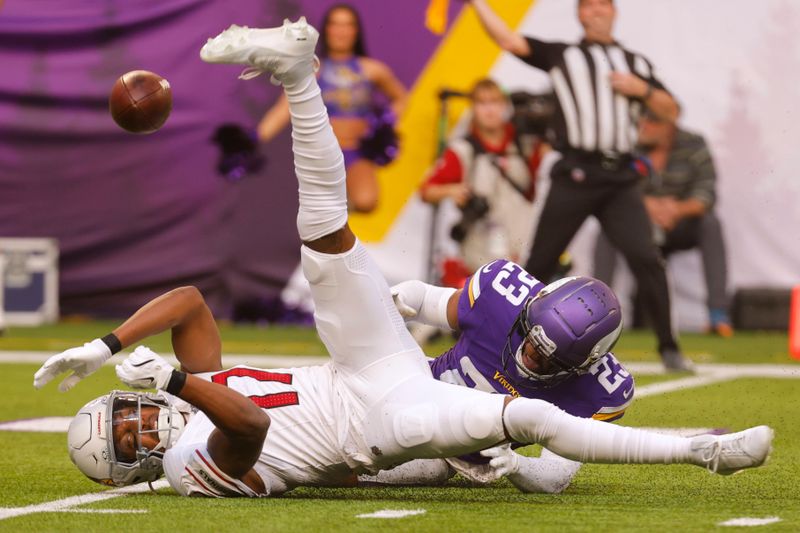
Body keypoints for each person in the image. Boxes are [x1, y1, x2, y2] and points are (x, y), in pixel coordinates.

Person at [33, 19, 772, 497]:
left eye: (121, 412)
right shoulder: (183, 462)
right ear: (133, 465)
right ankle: (700, 454)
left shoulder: (187, 388)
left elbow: (191, 301)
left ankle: (297, 75)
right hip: (385, 424)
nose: (138, 420)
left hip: (375, 365)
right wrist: (174, 378)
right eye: (129, 437)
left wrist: (106, 343)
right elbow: (251, 429)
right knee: (536, 422)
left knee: (326, 239)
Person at [466, 0, 692, 372]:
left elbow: (671, 110)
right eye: (588, 5)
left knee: (647, 259)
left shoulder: (636, 64)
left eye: (602, 4)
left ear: (613, 11)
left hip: (619, 177)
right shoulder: (563, 55)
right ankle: (504, 342)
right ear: (580, 14)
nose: (596, 11)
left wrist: (643, 90)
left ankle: (670, 347)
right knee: (540, 262)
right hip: (576, 172)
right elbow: (507, 40)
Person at [359, 266, 634, 493]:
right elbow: (428, 300)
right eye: (529, 340)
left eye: (546, 360)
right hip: (413, 385)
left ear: (583, 365)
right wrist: (397, 297)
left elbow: (555, 477)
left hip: (449, 455)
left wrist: (516, 465)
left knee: (427, 468)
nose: (528, 357)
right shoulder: (502, 296)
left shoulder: (599, 390)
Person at [256, 3, 407, 213]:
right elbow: (284, 109)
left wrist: (384, 122)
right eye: (335, 25)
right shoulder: (311, 70)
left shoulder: (372, 70)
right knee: (317, 209)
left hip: (357, 152)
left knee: (366, 200)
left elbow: (400, 98)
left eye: (348, 25)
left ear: (356, 30)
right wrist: (256, 138)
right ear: (326, 29)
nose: (341, 31)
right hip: (321, 153)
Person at [594, 112, 733, 336]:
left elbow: (707, 194)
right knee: (606, 229)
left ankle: (718, 314)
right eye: (641, 120)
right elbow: (614, 188)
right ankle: (595, 313)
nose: (644, 125)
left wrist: (675, 210)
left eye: (652, 120)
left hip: (680, 225)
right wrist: (648, 206)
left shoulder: (694, 144)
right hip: (641, 225)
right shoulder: (629, 145)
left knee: (710, 224)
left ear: (670, 124)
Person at [420, 78, 544, 272]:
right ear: (473, 107)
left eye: (495, 102)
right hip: (483, 252)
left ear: (505, 106)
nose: (489, 110)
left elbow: (542, 186)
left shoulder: (526, 142)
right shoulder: (462, 150)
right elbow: (426, 191)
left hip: (526, 245)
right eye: (482, 103)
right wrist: (452, 190)